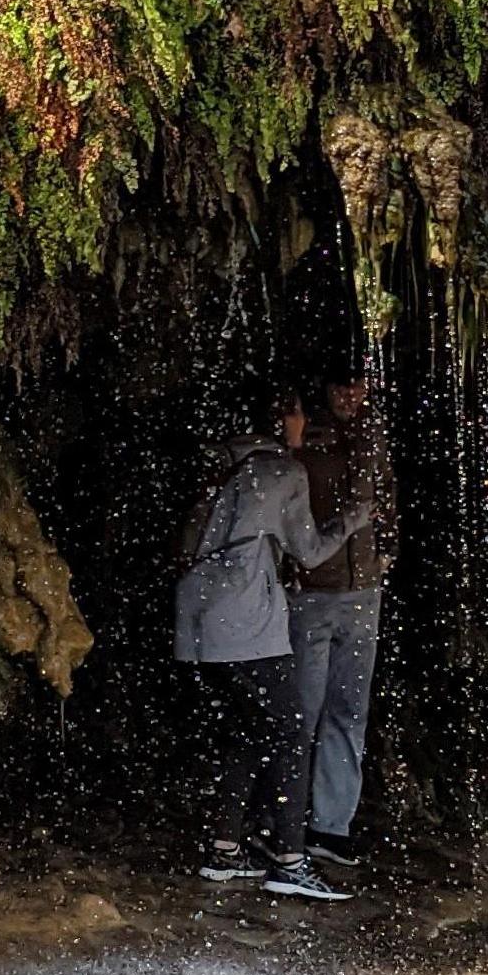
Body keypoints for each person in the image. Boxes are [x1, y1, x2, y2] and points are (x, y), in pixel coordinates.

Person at [173, 383, 371, 901]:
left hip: (197, 617)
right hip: (247, 617)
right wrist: (353, 517)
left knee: (242, 727)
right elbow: (308, 551)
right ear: (288, 418)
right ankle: (289, 859)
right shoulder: (283, 471)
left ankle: (225, 849)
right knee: (290, 732)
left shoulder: (220, 465)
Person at [290, 370, 396, 872]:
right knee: (302, 712)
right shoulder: (304, 436)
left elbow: (387, 496)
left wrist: (386, 554)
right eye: (339, 386)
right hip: (313, 591)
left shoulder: (374, 433)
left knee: (348, 711)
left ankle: (331, 827)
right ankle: (284, 824)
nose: (349, 396)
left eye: (357, 385)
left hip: (363, 590)